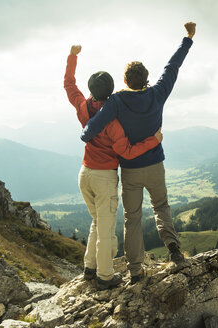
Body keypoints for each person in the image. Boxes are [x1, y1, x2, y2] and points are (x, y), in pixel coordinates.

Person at [80, 22, 196, 283]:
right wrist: (187, 38)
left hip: (130, 170)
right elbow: (172, 67)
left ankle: (134, 270)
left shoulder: (116, 102)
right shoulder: (158, 93)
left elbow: (89, 131)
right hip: (155, 165)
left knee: (132, 219)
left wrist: (86, 134)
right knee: (161, 207)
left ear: (124, 81)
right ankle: (174, 250)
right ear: (146, 78)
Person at [64, 44, 163, 290]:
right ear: (111, 92)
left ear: (91, 90)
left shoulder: (81, 106)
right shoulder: (112, 122)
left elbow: (69, 84)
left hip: (84, 174)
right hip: (104, 178)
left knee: (97, 222)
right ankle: (105, 277)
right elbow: (127, 151)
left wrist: (73, 56)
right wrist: (154, 140)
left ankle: (90, 267)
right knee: (106, 229)